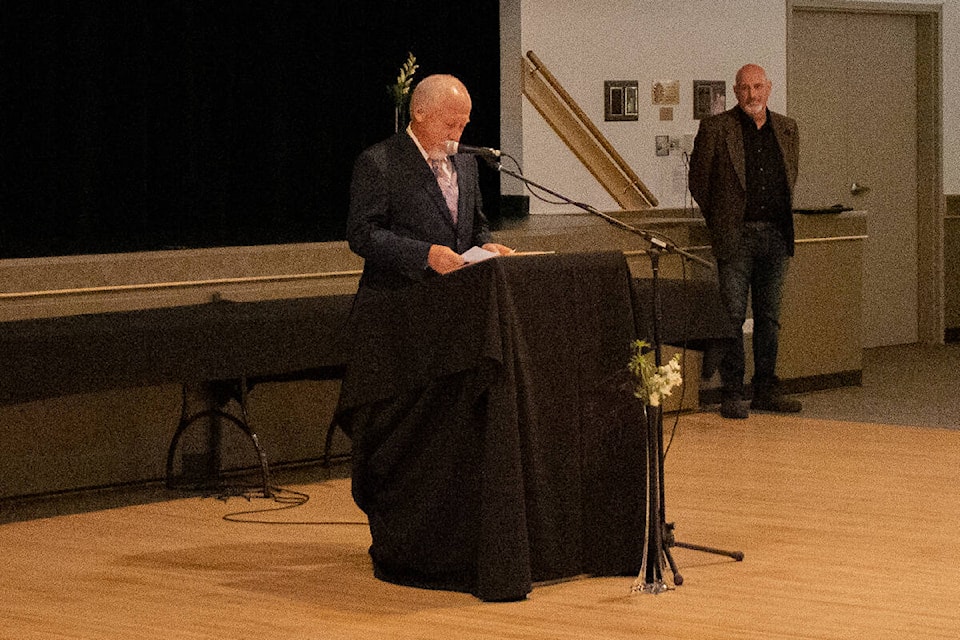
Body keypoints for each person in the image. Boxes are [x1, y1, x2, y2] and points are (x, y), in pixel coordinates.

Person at [688, 63, 803, 419]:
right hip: (736, 237)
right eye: (744, 88)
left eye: (757, 87)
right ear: (735, 92)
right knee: (733, 316)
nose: (752, 95)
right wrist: (722, 221)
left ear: (769, 88)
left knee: (769, 317)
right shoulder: (716, 128)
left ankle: (766, 387)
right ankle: (733, 392)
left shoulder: (787, 128)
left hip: (775, 234)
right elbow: (699, 182)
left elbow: (790, 177)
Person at [346, 73, 512, 292]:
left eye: (462, 126)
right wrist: (426, 255)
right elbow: (362, 234)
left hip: (456, 298)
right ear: (419, 113)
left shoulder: (466, 162)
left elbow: (477, 225)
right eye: (450, 124)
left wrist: (485, 245)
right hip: (400, 301)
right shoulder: (380, 161)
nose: (456, 136)